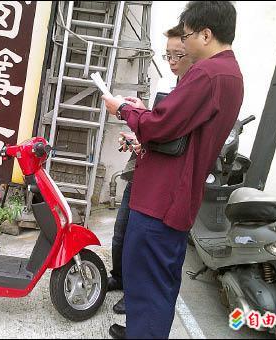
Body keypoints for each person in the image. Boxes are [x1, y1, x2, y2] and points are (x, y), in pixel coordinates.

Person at [102, 2, 243, 338]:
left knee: (148, 282)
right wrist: (144, 114)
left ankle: (143, 332)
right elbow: (179, 129)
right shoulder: (229, 74)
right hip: (175, 198)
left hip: (160, 201)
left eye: (189, 35)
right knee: (157, 282)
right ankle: (141, 329)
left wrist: (124, 110)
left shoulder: (207, 73)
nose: (185, 42)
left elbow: (162, 127)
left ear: (206, 35)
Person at [107, 22, 193, 316]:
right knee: (122, 233)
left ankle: (134, 296)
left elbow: (170, 137)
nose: (171, 62)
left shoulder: (194, 91)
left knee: (141, 243)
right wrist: (139, 128)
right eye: (167, 55)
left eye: (177, 55)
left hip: (160, 185)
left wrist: (127, 112)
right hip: (143, 167)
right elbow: (159, 128)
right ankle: (119, 278)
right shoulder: (170, 85)